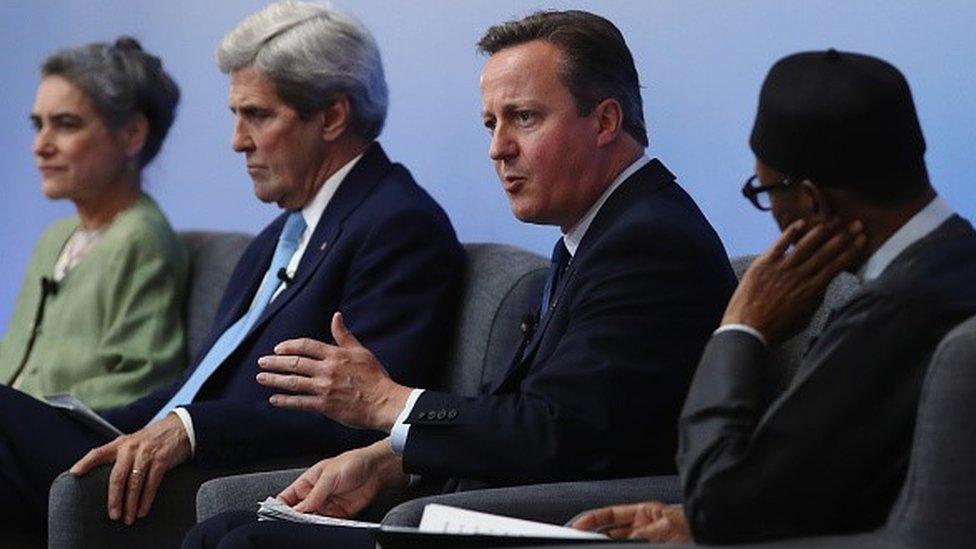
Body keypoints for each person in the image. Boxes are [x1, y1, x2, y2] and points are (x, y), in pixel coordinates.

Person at [184, 9, 736, 549]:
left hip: (551, 523)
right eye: (491, 123)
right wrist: (390, 460)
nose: (498, 148)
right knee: (221, 531)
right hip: (489, 501)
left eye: (524, 117)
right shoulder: (601, 231)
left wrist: (386, 402)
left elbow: (557, 432)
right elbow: (527, 408)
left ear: (605, 121)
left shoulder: (649, 242)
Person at [0, 1, 463, 543]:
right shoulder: (283, 232)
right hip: (154, 451)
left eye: (257, 115)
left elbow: (362, 416)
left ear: (332, 117)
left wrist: (191, 430)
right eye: (235, 115)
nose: (237, 140)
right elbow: (200, 380)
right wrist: (89, 418)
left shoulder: (399, 224)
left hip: (214, 472)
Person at [573, 49, 976, 544]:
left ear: (810, 201)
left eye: (763, 191)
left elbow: (722, 504)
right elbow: (835, 488)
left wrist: (740, 329)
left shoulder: (897, 313)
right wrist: (688, 521)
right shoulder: (956, 266)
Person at [0, 37, 187, 411]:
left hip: (55, 449)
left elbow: (142, 383)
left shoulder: (141, 238)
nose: (41, 145)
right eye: (38, 125)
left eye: (65, 125)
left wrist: (24, 419)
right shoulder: (54, 239)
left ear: (132, 134)